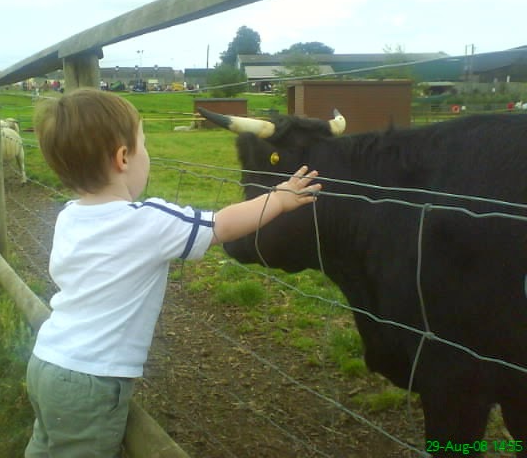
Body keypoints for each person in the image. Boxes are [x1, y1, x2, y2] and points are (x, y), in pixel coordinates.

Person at [25, 88, 322, 458]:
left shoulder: (69, 215)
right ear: (122, 158)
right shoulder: (148, 220)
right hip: (92, 379)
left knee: (44, 447)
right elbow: (220, 226)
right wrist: (277, 198)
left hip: (46, 361)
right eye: (143, 144)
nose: (146, 152)